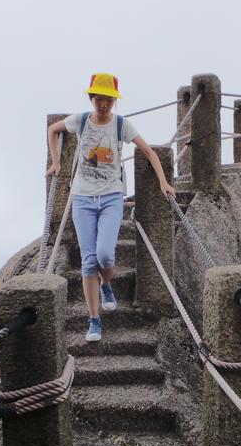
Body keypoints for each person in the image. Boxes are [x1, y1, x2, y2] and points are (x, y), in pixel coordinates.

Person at [46, 73, 175, 342]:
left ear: (114, 100)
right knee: (88, 261)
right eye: (99, 99)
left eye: (108, 100)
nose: (103, 104)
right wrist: (56, 163)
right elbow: (53, 130)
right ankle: (94, 321)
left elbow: (149, 152)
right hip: (82, 198)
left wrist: (163, 182)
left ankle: (107, 285)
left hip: (111, 197)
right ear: (92, 98)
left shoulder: (120, 125)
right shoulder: (81, 120)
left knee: (105, 256)